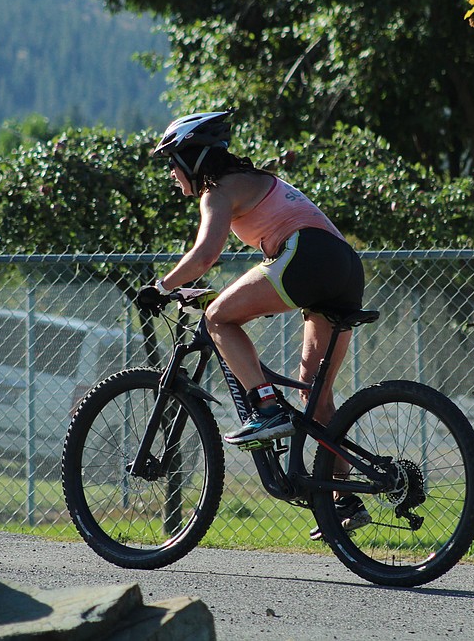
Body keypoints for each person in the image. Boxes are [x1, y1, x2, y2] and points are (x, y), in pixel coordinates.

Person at [135, 110, 369, 536]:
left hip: (308, 256)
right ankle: (345, 497)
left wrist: (162, 285)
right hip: (345, 267)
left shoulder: (218, 191)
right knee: (315, 393)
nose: (171, 173)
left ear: (192, 157)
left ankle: (264, 406)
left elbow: (206, 255)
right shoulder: (251, 179)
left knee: (218, 317)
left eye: (172, 162)